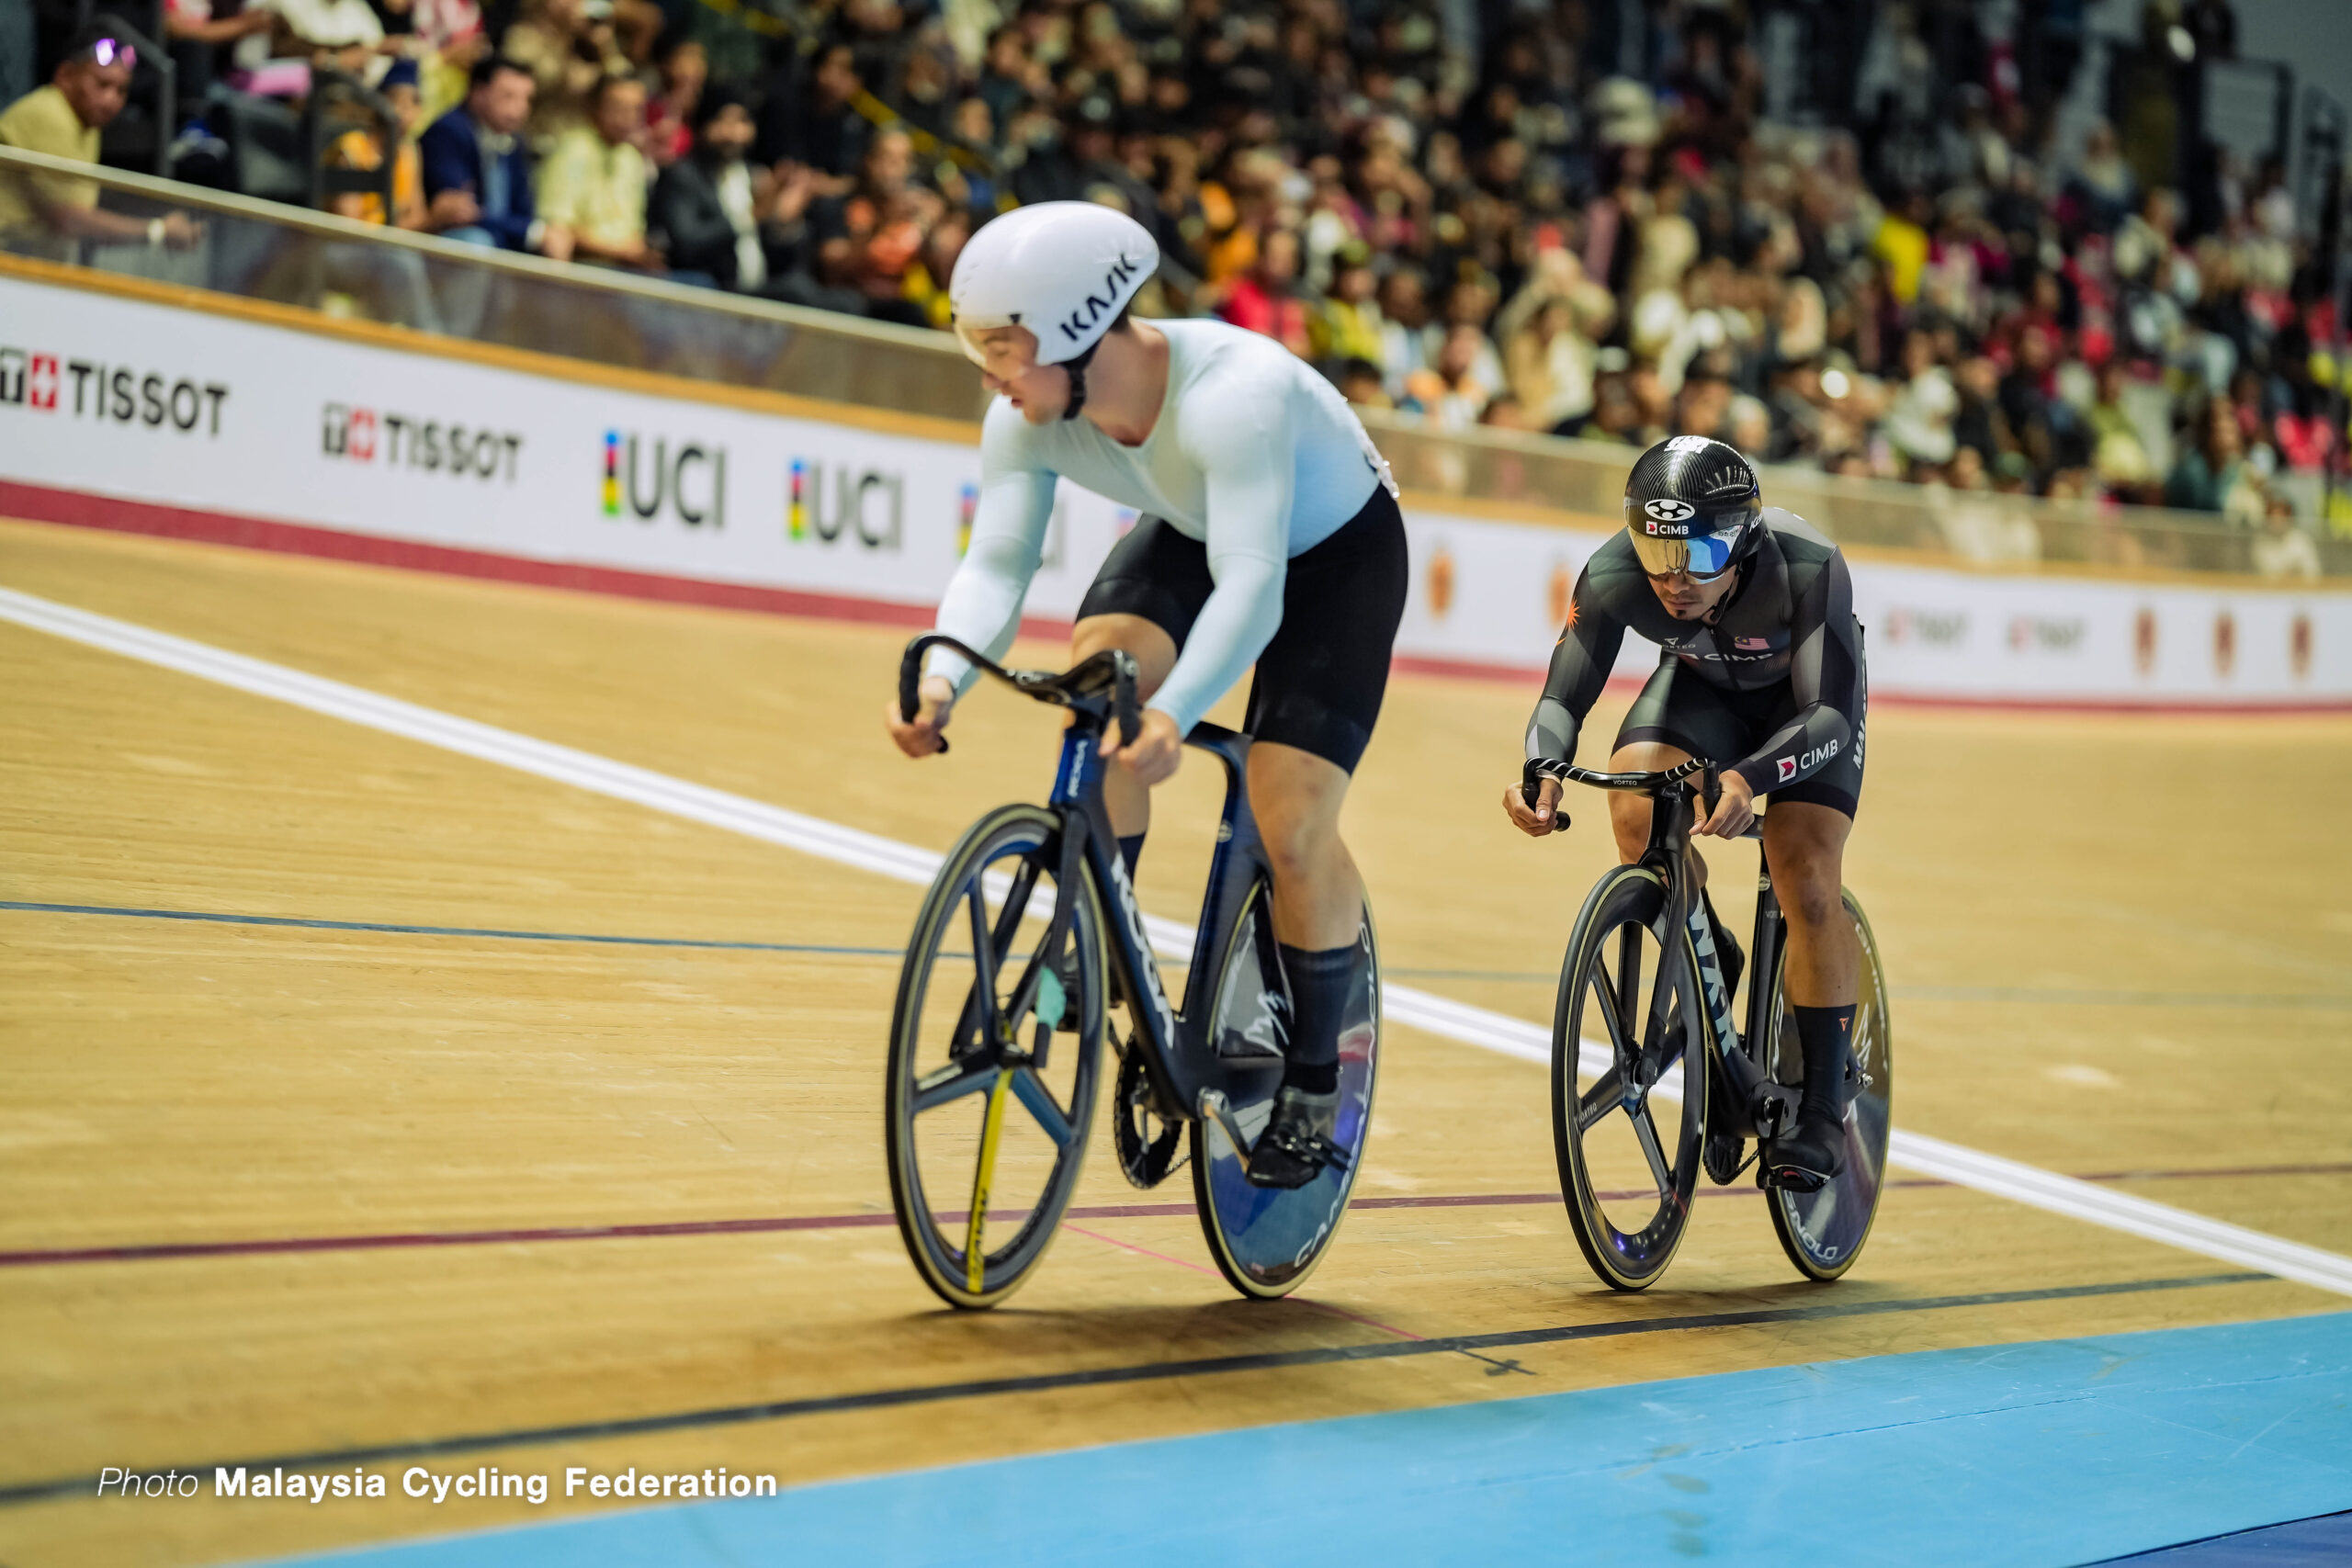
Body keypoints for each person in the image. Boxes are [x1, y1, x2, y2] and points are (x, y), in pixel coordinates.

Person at [886, 202, 1408, 1190]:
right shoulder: (1024, 414)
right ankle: (1092, 936)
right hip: (1193, 522)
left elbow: (1254, 587)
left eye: (1002, 348)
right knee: (1101, 673)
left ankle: (1309, 1074)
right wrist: (942, 673)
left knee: (1291, 818)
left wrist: (1178, 712)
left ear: (1080, 332)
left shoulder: (1233, 398)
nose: (987, 375)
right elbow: (997, 560)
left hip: (1334, 553)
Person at [1503, 436, 1868, 1189]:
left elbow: (1828, 716)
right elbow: (1562, 693)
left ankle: (1825, 1107)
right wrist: (1540, 767)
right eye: (1655, 549)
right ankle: (1707, 946)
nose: (1673, 578)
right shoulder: (1616, 571)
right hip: (1701, 688)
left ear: (1742, 540)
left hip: (1803, 707)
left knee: (1802, 866)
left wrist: (1749, 777)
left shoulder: (1807, 564)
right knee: (1636, 809)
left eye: (1699, 553)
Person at [0, 21, 201, 254]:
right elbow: (71, 220)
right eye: (101, 84)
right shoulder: (49, 113)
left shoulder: (87, 123)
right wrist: (158, 230)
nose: (110, 101)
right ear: (65, 75)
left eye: (121, 90)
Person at [418, 53, 571, 259]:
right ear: (478, 93)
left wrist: (541, 231)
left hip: (500, 240)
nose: (522, 108)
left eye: (527, 98)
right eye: (509, 96)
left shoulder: (516, 141)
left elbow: (524, 209)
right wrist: (531, 231)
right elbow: (462, 212)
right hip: (446, 244)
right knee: (476, 242)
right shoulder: (448, 131)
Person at [538, 72, 661, 272]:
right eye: (619, 108)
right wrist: (619, 251)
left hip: (626, 268)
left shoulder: (631, 158)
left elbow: (634, 231)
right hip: (583, 266)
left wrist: (639, 251)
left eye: (636, 110)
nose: (628, 118)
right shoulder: (572, 149)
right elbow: (558, 228)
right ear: (595, 107)